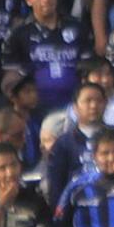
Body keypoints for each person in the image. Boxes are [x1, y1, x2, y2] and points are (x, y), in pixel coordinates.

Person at [3, 0, 92, 115]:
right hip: (35, 109)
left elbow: (88, 69)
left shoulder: (78, 28)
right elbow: (10, 77)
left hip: (76, 107)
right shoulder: (18, 34)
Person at [46, 82, 106, 212]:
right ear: (75, 107)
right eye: (88, 101)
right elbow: (56, 185)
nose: (93, 105)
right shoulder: (63, 144)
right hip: (76, 210)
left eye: (99, 101)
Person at [0, 142, 50, 227]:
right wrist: (2, 206)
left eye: (14, 165)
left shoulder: (35, 199)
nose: (10, 173)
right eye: (2, 168)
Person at [65, 57, 114, 135]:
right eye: (98, 75)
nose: (105, 80)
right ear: (84, 79)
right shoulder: (75, 107)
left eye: (108, 74)